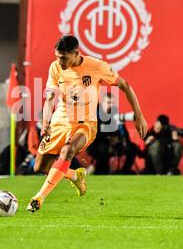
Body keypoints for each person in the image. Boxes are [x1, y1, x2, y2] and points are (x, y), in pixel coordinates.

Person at [26, 35, 148, 212]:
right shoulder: (55, 68)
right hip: (59, 122)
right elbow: (50, 99)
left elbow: (125, 85)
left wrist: (139, 115)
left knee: (68, 151)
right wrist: (45, 123)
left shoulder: (96, 66)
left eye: (64, 58)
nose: (59, 62)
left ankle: (39, 197)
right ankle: (75, 175)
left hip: (85, 124)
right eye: (57, 57)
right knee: (41, 166)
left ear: (76, 54)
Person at [87, 92, 140, 175]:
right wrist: (109, 138)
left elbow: (122, 130)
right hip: (97, 144)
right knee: (103, 148)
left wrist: (124, 141)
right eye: (108, 102)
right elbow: (95, 133)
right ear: (102, 102)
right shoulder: (94, 114)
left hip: (114, 143)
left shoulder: (114, 113)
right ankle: (101, 173)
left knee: (132, 148)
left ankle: (124, 172)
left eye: (112, 102)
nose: (110, 105)